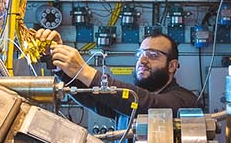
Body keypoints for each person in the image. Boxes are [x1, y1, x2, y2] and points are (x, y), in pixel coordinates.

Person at [34, 28, 201, 122]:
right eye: (140, 54)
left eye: (152, 55)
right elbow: (92, 98)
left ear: (172, 65)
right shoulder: (124, 104)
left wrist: (85, 71)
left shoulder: (185, 101)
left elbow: (149, 105)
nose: (142, 60)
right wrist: (59, 63)